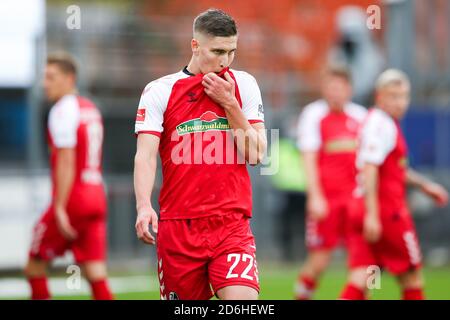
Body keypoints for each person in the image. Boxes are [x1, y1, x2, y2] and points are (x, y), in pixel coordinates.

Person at [133, 9, 266, 300]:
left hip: (230, 224)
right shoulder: (160, 91)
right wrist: (144, 205)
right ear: (195, 46)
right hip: (179, 227)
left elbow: (256, 153)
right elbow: (145, 156)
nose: (225, 61)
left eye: (232, 52)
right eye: (217, 51)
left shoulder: (243, 85)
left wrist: (229, 104)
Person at [340, 69, 449, 300]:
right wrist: (372, 214)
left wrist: (424, 185)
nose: (400, 102)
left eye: (404, 96)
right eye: (393, 96)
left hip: (360, 207)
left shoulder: (375, 120)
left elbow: (393, 169)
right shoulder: (382, 125)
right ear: (379, 96)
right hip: (386, 213)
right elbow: (370, 168)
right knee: (412, 277)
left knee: (363, 276)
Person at [24, 52, 113, 300]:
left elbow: (66, 159)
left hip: (73, 198)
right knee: (95, 270)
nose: (45, 83)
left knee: (34, 265)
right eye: (45, 77)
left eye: (51, 77)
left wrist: (60, 206)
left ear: (69, 78)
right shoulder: (90, 107)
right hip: (96, 194)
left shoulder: (63, 110)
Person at [295, 65, 367, 300]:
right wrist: (315, 196)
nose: (335, 92)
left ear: (350, 89)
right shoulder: (313, 114)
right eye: (331, 87)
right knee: (319, 262)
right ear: (324, 89)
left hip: (356, 202)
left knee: (362, 261)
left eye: (340, 87)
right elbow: (309, 157)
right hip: (327, 199)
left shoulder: (361, 116)